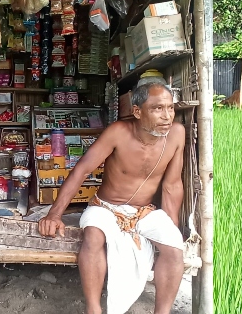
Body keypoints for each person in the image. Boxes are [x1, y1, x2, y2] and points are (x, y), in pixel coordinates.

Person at [38, 80, 186, 314]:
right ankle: (94, 309)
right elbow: (82, 170)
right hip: (105, 207)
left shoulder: (177, 134)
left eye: (170, 108)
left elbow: (172, 184)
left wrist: (172, 225)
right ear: (137, 112)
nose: (167, 116)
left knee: (174, 247)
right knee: (94, 235)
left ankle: (162, 312)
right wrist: (54, 214)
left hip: (145, 211)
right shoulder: (118, 132)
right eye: (157, 108)